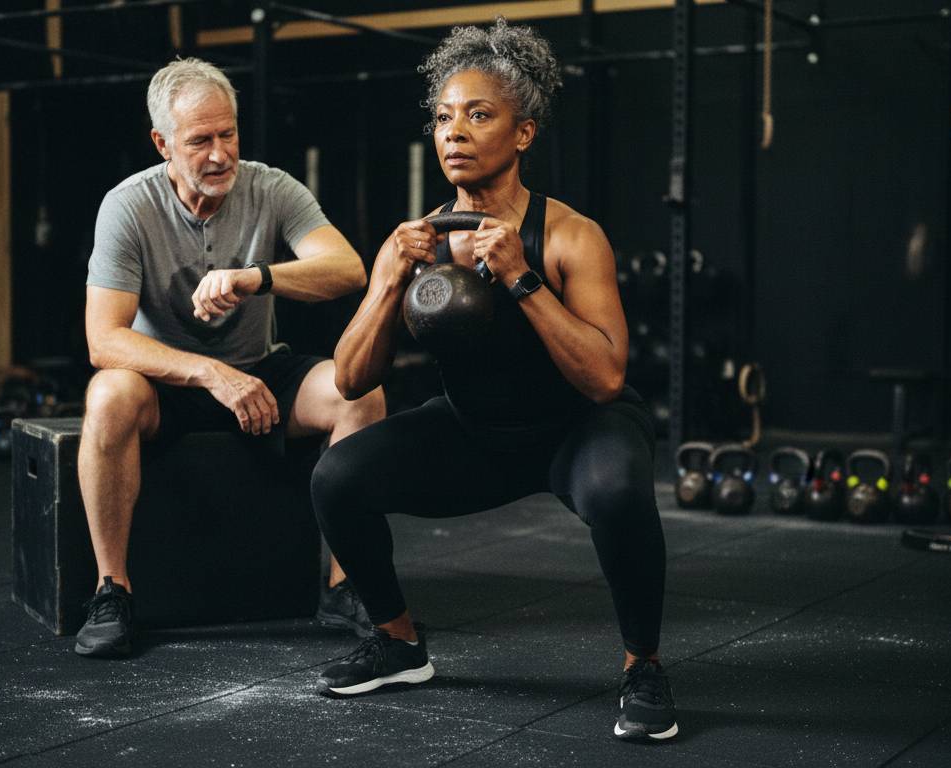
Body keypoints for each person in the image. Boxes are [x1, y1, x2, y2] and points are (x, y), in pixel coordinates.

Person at [309, 20, 677, 741]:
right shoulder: (418, 241)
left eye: (479, 115)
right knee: (337, 476)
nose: (455, 132)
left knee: (618, 490)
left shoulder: (570, 235)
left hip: (579, 429)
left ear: (524, 133)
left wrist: (520, 279)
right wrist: (386, 281)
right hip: (478, 430)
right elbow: (351, 381)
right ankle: (400, 641)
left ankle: (644, 665)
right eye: (444, 116)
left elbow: (605, 378)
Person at [76, 57, 383, 658]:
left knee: (359, 392)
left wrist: (256, 277)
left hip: (264, 369)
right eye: (199, 141)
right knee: (109, 393)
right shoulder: (127, 206)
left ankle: (347, 586)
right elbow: (102, 340)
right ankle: (112, 590)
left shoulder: (271, 187)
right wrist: (212, 374)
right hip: (168, 382)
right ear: (163, 143)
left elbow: (349, 269)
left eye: (229, 134)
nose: (219, 155)